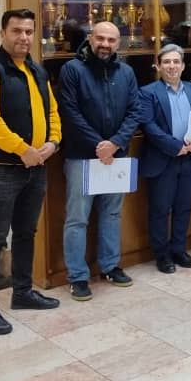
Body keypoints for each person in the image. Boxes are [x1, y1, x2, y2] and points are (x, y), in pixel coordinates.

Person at [0, 8, 61, 335]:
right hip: (1, 170)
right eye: (17, 31)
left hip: (36, 167)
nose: (23, 37)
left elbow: (52, 111)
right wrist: (23, 150)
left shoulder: (37, 70)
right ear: (3, 34)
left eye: (29, 31)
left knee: (25, 233)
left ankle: (22, 293)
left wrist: (52, 143)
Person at [58, 21, 142, 301]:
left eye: (111, 40)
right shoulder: (72, 70)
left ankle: (110, 266)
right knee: (77, 219)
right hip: (82, 157)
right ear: (90, 38)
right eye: (101, 38)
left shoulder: (126, 72)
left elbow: (135, 111)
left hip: (116, 156)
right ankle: (78, 277)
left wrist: (115, 143)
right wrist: (99, 145)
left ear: (119, 43)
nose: (105, 44)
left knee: (112, 213)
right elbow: (69, 112)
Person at [139, 45, 191, 274]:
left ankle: (179, 249)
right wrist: (174, 146)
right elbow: (148, 125)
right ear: (158, 66)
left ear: (183, 65)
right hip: (163, 160)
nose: (172, 66)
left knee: (183, 207)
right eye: (167, 62)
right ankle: (162, 255)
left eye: (176, 62)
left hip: (189, 158)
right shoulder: (148, 92)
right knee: (160, 210)